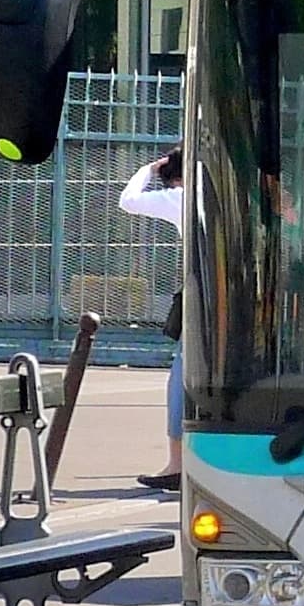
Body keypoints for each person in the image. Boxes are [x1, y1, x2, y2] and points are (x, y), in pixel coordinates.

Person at [122, 148, 186, 495]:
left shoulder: (178, 197)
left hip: (204, 293)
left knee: (182, 374)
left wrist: (148, 169)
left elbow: (129, 200)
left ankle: (177, 464)